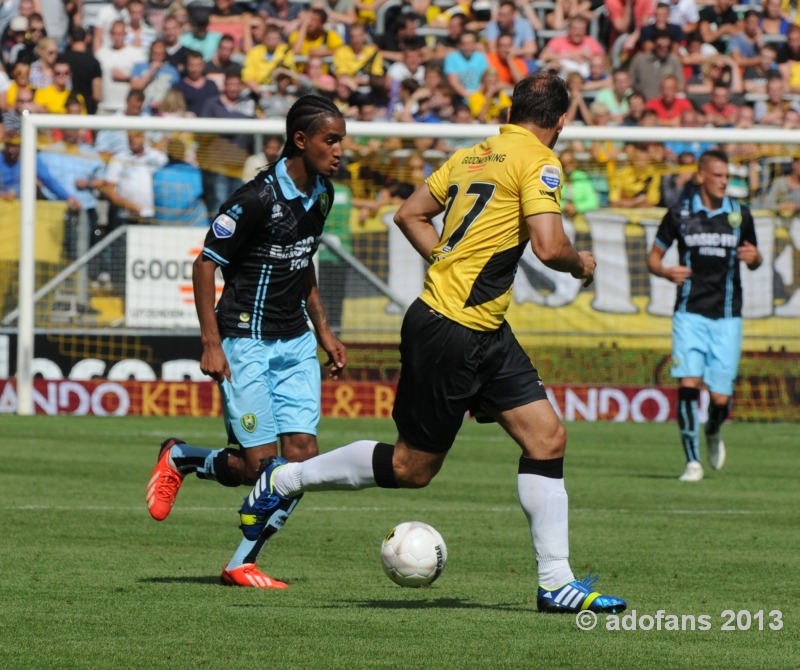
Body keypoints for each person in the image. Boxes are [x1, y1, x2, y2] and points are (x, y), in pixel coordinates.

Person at [212, 72, 627, 615]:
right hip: (451, 329)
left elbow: (409, 214)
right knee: (412, 469)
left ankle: (556, 583)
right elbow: (550, 248)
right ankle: (284, 479)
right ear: (562, 122)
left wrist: (446, 260)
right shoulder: (541, 161)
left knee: (547, 439)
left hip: (484, 327)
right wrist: (582, 264)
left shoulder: (475, 154)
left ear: (511, 109)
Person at [145, 95, 348, 588]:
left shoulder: (323, 194)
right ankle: (182, 457)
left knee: (300, 463)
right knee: (259, 467)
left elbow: (304, 263)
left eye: (342, 139)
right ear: (300, 141)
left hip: (295, 339)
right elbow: (204, 264)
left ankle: (240, 562)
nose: (341, 149)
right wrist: (211, 343)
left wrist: (323, 330)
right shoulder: (253, 199)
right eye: (332, 139)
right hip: (244, 338)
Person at [647, 149, 762, 483]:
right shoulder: (680, 214)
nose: (725, 181)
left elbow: (754, 259)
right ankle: (692, 462)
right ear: (701, 176)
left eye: (727, 176)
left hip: (727, 317)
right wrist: (667, 272)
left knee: (721, 398)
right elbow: (653, 259)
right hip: (689, 314)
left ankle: (713, 430)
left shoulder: (740, 214)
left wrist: (754, 258)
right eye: (719, 175)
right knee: (688, 383)